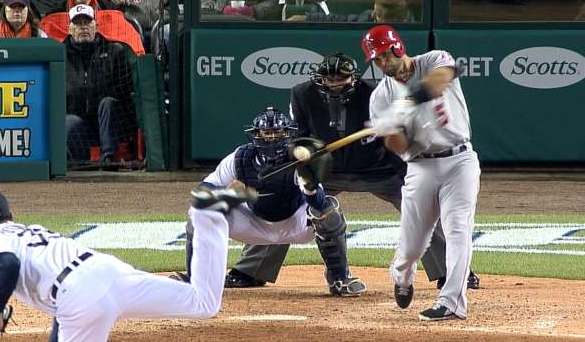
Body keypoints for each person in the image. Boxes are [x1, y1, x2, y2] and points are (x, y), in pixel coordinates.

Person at [226, 52, 479, 291]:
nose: (335, 84)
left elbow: (395, 141)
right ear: (320, 79)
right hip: (328, 169)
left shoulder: (375, 93)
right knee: (286, 202)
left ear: (353, 78)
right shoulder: (302, 94)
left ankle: (453, 272)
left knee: (423, 209)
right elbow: (298, 137)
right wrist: (306, 155)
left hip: (378, 167)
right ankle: (250, 270)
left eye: (341, 78)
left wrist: (406, 171)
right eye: (330, 78)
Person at [0, 188, 242, 341]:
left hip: (78, 298)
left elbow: (7, 265)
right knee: (203, 302)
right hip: (108, 271)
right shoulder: (33, 231)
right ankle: (207, 218)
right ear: (11, 216)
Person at [173, 107, 367, 297]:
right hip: (252, 224)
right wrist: (228, 195)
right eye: (267, 132)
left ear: (287, 134)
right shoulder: (240, 159)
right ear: (257, 134)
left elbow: (320, 204)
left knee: (329, 213)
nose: (272, 138)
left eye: (278, 132)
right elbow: (202, 192)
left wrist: (309, 187)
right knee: (200, 214)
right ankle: (195, 279)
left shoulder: (300, 160)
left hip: (295, 224)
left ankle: (340, 279)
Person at [361, 24, 481, 321]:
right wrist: (392, 127)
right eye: (376, 60)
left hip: (460, 160)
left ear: (397, 47)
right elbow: (397, 145)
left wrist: (408, 103)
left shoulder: (434, 59)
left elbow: (441, 79)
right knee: (413, 245)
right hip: (421, 166)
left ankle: (452, 302)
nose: (383, 63)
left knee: (458, 230)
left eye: (385, 55)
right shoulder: (380, 98)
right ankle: (401, 277)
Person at [64, 4, 136, 168]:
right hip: (80, 121)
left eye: (87, 22)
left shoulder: (114, 51)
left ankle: (109, 160)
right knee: (69, 121)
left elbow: (125, 91)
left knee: (108, 103)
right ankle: (77, 166)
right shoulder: (60, 56)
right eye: (78, 23)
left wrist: (97, 96)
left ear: (96, 26)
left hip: (111, 123)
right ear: (69, 29)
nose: (83, 27)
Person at [287, 0, 414, 23]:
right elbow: (341, 20)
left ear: (395, 20)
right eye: (374, 11)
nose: (372, 15)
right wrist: (307, 18)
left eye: (378, 15)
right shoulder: (368, 18)